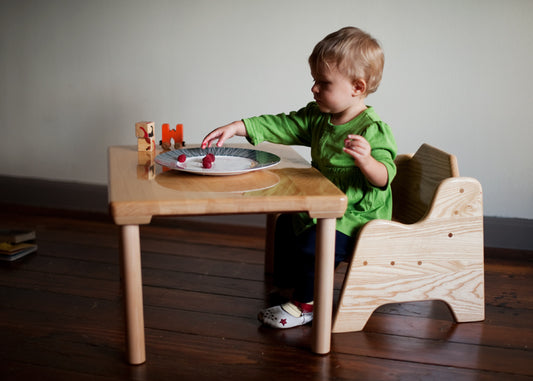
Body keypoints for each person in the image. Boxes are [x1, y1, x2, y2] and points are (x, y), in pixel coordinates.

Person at [202, 26, 397, 329]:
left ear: (357, 87)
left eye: (324, 83)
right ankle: (291, 287)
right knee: (285, 225)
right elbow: (282, 125)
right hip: (325, 202)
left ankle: (307, 304)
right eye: (314, 81)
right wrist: (239, 127)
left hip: (358, 214)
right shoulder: (318, 117)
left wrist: (368, 161)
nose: (314, 89)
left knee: (314, 242)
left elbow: (385, 176)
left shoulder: (371, 129)